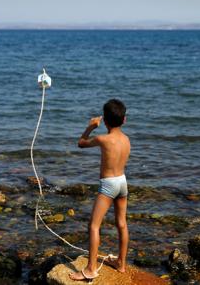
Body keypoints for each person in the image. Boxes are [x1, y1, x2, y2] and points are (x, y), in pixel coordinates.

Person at [69, 99, 131, 282]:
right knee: (121, 223)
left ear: (104, 121)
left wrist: (90, 127)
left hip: (109, 185)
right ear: (124, 120)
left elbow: (81, 143)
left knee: (94, 226)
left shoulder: (102, 139)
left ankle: (90, 269)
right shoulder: (126, 139)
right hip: (123, 182)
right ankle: (121, 264)